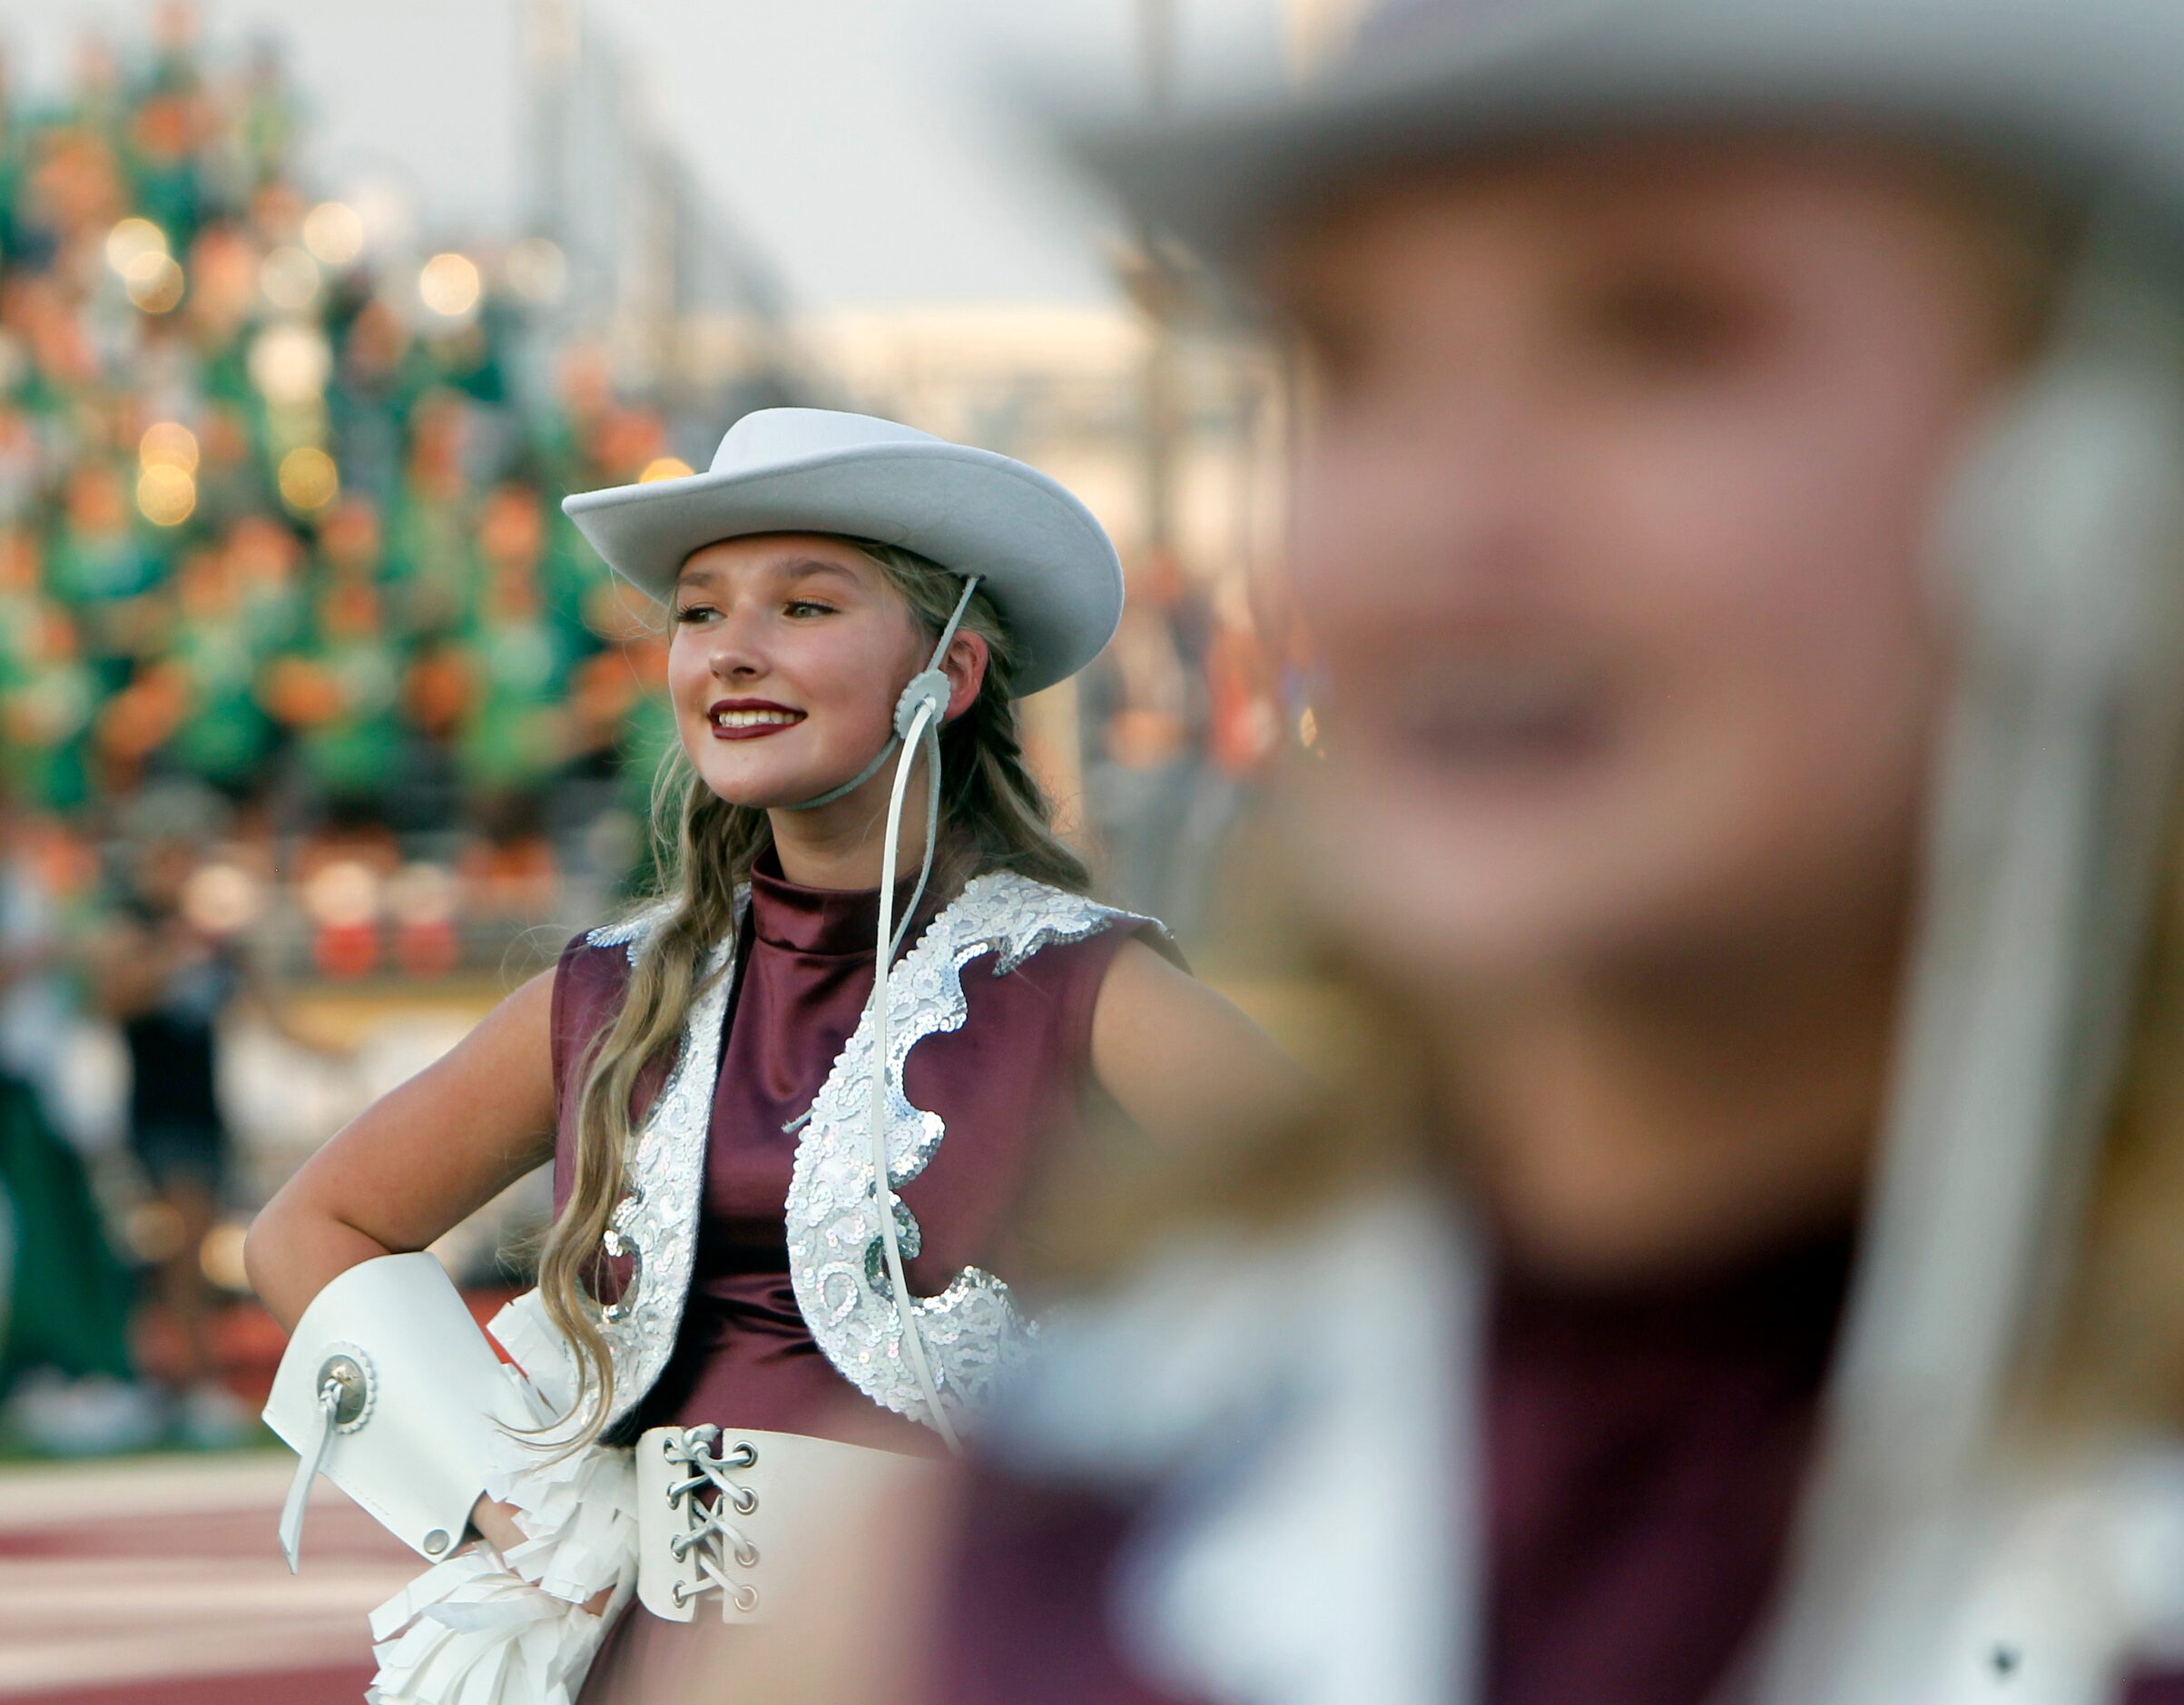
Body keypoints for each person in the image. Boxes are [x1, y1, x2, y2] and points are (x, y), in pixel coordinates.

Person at [721, 4, 2184, 1703]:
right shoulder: (980, 1587)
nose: (1446, 514)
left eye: (1658, 332)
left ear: (2088, 479)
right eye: (1357, 359)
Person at [243, 408, 1297, 1704]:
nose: (732, 653)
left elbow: (1400, 1242)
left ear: (949, 673)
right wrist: (511, 1506)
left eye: (803, 608)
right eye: (697, 613)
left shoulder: (1078, 984)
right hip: (655, 1659)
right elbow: (312, 1227)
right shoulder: (613, 990)